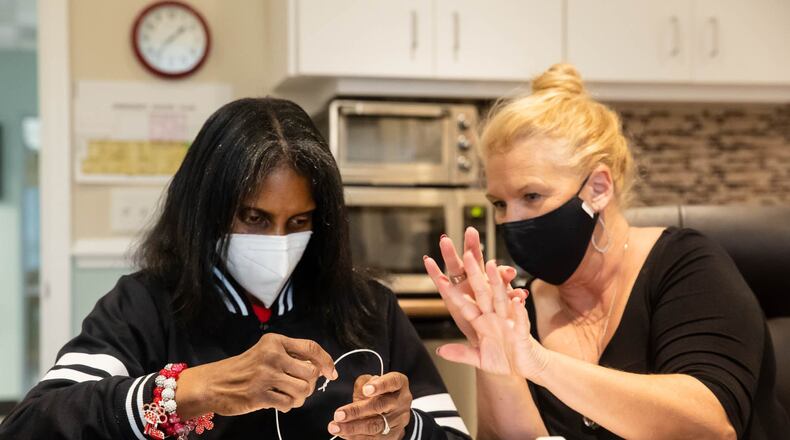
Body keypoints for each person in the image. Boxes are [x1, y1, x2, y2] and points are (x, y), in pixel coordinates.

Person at [0, 97, 470, 439]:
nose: (277, 242)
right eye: (254, 218)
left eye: (299, 222)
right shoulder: (144, 305)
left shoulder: (371, 308)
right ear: (206, 210)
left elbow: (450, 436)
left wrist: (403, 430)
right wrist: (191, 389)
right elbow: (32, 425)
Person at [423, 64, 790, 439]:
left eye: (531, 196)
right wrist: (496, 361)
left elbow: (710, 427)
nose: (509, 221)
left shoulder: (686, 266)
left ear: (597, 188)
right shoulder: (522, 310)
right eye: (499, 203)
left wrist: (539, 363)